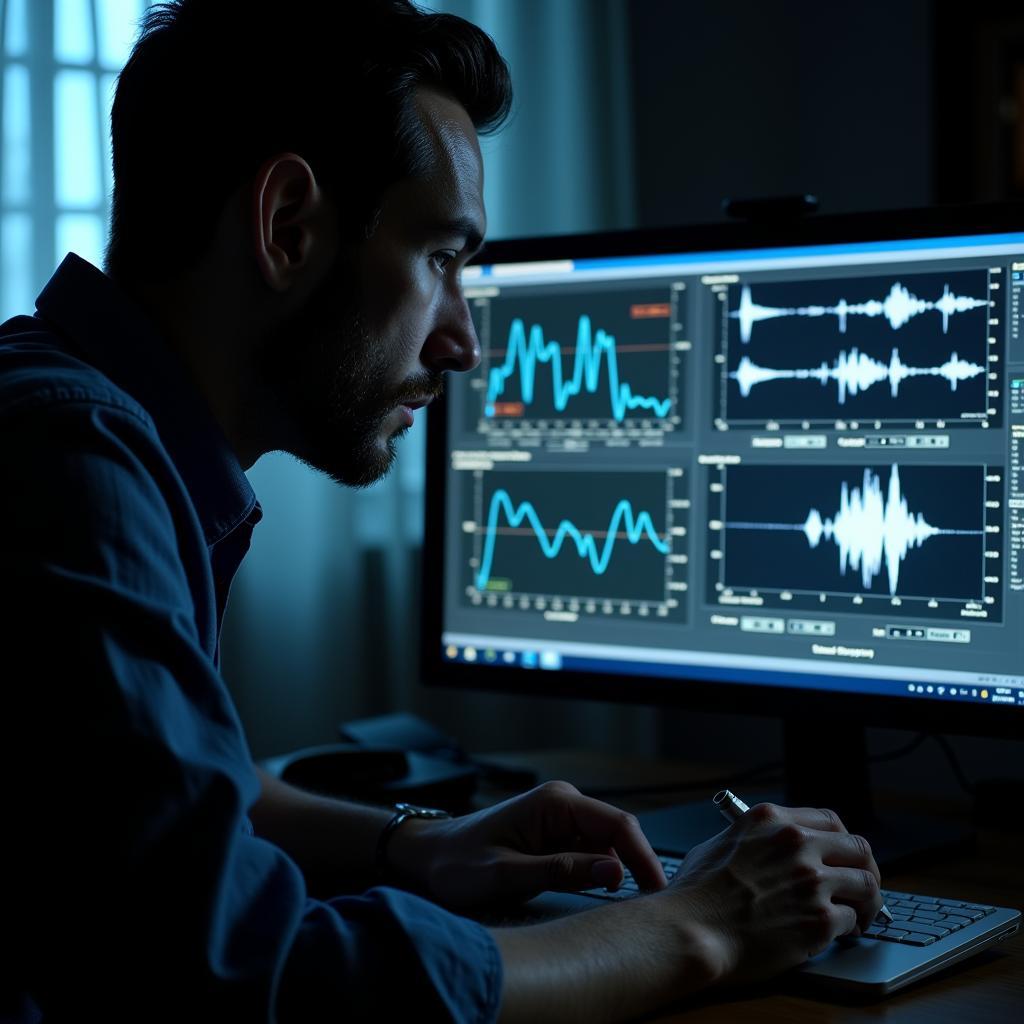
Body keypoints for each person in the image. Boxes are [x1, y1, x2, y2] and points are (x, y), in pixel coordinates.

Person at [0, 2, 884, 1021]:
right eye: (440, 258)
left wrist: (417, 844)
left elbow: (179, 802)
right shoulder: (74, 471)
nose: (463, 342)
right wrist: (703, 924)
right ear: (288, 225)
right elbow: (246, 977)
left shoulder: (75, 423)